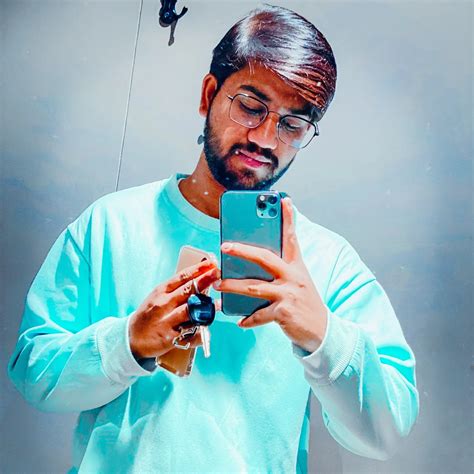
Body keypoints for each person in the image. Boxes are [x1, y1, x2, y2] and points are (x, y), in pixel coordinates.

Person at [8, 4, 419, 473]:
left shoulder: (328, 262)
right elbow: (34, 374)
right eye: (251, 106)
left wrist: (323, 335)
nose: (266, 138)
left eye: (293, 124)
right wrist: (129, 342)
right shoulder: (109, 225)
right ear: (209, 95)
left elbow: (386, 432)